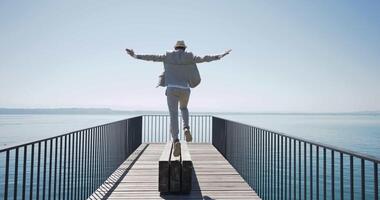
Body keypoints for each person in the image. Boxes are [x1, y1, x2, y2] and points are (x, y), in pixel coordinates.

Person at [126, 40, 231, 156]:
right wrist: (221, 55)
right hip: (185, 89)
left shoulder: (167, 55)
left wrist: (135, 55)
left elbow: (151, 57)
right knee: (184, 108)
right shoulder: (190, 56)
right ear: (184, 48)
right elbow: (205, 58)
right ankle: (186, 128)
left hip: (172, 89)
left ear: (175, 47)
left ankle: (176, 140)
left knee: (173, 114)